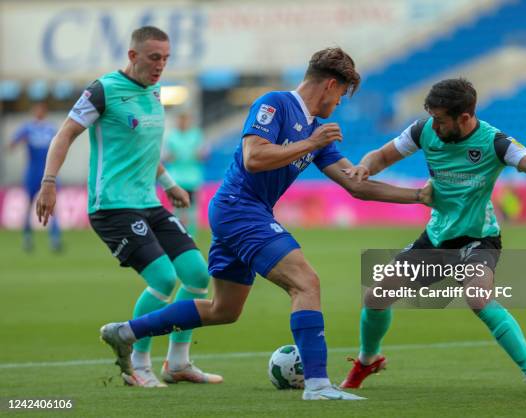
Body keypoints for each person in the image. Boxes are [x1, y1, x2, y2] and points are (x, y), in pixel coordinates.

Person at [99, 47, 433, 400]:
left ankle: (126, 332)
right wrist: (310, 142)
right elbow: (253, 157)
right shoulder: (275, 104)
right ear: (330, 85)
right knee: (306, 282)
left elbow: (355, 183)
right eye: (341, 95)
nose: (340, 103)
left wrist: (418, 196)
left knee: (223, 310)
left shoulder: (316, 132)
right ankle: (318, 384)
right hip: (239, 208)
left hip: (243, 212)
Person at [340, 78, 526, 396]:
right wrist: (363, 167)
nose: (434, 126)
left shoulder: (495, 142)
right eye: (433, 118)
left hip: (478, 239)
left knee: (478, 296)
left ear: (464, 118)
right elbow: (381, 156)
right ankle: (368, 360)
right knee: (376, 296)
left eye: (441, 119)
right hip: (437, 238)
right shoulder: (422, 130)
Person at [35, 26, 222, 388]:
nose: (160, 66)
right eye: (154, 58)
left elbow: (145, 150)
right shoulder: (102, 90)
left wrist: (170, 185)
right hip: (112, 207)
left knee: (198, 275)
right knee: (164, 279)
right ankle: (139, 365)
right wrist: (49, 182)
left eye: (166, 59)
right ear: (133, 56)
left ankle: (178, 362)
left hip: (149, 203)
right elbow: (65, 134)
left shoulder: (154, 90)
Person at [9, 102, 62, 252]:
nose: (39, 113)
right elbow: (13, 142)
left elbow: (60, 145)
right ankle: (27, 237)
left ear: (44, 112)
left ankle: (55, 238)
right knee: (29, 204)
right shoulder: (28, 128)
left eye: (41, 110)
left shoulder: (51, 129)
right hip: (32, 172)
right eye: (36, 110)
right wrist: (15, 143)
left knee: (52, 205)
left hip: (47, 172)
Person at [163, 112, 208, 237]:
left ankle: (191, 235)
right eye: (181, 120)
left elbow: (203, 155)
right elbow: (166, 157)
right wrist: (171, 157)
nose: (183, 122)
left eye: (185, 120)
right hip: (176, 179)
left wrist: (200, 155)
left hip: (192, 178)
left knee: (192, 210)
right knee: (177, 209)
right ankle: (176, 233)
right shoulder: (172, 136)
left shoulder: (196, 135)